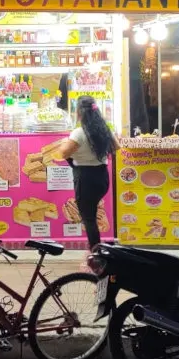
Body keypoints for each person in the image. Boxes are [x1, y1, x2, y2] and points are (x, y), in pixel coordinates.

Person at [56, 95, 120, 262]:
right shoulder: (104, 129)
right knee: (91, 214)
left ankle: (96, 255)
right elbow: (116, 147)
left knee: (89, 218)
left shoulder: (79, 132)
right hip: (102, 177)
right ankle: (96, 250)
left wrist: (66, 143)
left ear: (79, 113)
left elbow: (63, 153)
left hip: (85, 178)